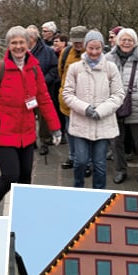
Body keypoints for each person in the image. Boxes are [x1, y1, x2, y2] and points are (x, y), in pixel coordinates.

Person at [0, 25, 61, 216]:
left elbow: (44, 99)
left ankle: (22, 211)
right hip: (2, 131)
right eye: (14, 43)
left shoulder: (34, 68)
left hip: (26, 131)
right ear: (8, 45)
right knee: (10, 175)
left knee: (26, 175)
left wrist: (55, 128)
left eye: (22, 42)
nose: (18, 46)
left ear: (28, 44)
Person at [62, 30, 125, 189]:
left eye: (98, 48)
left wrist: (101, 110)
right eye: (91, 48)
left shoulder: (111, 68)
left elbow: (118, 94)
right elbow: (67, 94)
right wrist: (85, 108)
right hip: (81, 122)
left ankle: (99, 192)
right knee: (80, 161)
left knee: (99, 163)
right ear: (86, 47)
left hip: (102, 123)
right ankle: (78, 188)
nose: (94, 52)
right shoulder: (75, 68)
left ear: (102, 48)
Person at [106, 28, 138, 184]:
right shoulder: (108, 58)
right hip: (114, 105)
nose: (126, 42)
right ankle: (120, 170)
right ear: (118, 41)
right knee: (116, 142)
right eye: (123, 39)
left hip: (136, 105)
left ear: (135, 42)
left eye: (130, 40)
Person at [58, 25, 89, 172]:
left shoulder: (92, 53)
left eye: (80, 41)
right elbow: (61, 72)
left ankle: (86, 162)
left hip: (84, 102)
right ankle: (72, 156)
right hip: (68, 101)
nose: (78, 44)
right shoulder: (65, 53)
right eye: (75, 41)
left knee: (85, 134)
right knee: (70, 131)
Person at [26, 25, 60, 156]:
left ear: (33, 38)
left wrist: (43, 81)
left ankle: (45, 140)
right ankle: (31, 140)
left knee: (43, 117)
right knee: (29, 116)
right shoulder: (23, 51)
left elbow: (54, 69)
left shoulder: (47, 51)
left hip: (43, 90)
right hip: (28, 91)